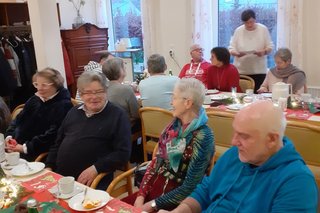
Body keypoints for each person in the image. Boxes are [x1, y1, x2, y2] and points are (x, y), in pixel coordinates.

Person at [161, 100, 318, 213]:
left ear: (272, 139)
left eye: (244, 136)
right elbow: (206, 190)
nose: (234, 142)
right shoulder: (235, 155)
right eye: (235, 132)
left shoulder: (297, 182)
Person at [124, 78, 214, 212]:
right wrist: (141, 196)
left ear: (188, 103)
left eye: (174, 97)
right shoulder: (174, 126)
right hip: (156, 187)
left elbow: (190, 186)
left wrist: (151, 205)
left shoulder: (203, 136)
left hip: (179, 201)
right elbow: (155, 163)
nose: (171, 102)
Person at [46, 71, 131, 190]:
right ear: (81, 94)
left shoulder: (118, 115)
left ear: (106, 92)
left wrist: (96, 168)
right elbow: (58, 143)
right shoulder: (73, 112)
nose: (94, 97)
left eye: (99, 92)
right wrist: (49, 166)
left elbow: (123, 153)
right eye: (88, 93)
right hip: (61, 178)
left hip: (92, 182)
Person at [5, 68, 73, 161]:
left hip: (37, 154)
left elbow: (53, 135)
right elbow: (18, 119)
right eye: (36, 84)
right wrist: (10, 137)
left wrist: (25, 148)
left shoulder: (63, 105)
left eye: (44, 85)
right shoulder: (35, 99)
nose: (39, 88)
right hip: (15, 147)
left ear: (56, 84)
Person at [229, 9, 274, 92]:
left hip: (259, 70)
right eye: (246, 23)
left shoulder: (263, 29)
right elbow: (231, 48)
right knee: (241, 97)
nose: (249, 25)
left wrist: (263, 52)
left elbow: (270, 46)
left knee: (259, 97)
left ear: (255, 19)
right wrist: (237, 53)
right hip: (241, 70)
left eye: (251, 22)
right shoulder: (238, 30)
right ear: (243, 22)